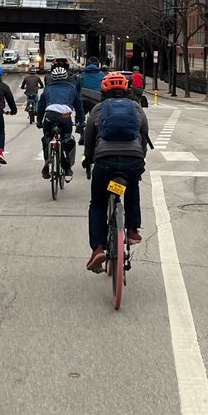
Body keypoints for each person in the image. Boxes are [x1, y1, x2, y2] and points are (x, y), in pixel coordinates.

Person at [82, 71, 152, 272]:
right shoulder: (136, 108)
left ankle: (98, 248)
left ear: (103, 91)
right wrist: (140, 160)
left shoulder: (97, 109)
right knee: (132, 189)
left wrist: (88, 159)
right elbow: (144, 135)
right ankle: (132, 230)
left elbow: (89, 139)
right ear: (127, 89)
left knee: (97, 203)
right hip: (133, 159)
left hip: (104, 162)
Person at [36, 64, 85, 180]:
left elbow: (41, 107)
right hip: (64, 117)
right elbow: (79, 107)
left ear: (52, 78)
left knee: (46, 138)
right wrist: (81, 121)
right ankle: (67, 167)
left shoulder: (47, 88)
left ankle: (47, 162)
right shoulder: (72, 88)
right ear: (66, 77)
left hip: (49, 117)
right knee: (67, 139)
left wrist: (39, 121)